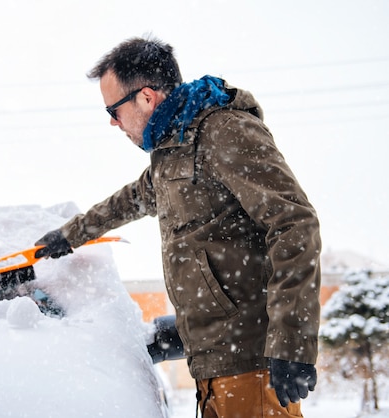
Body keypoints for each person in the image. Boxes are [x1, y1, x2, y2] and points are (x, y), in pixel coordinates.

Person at [34, 36, 322, 417]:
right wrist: (66, 237)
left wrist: (291, 343)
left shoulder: (223, 132)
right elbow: (129, 200)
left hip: (251, 364)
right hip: (214, 367)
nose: (111, 121)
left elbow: (294, 223)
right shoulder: (173, 152)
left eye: (113, 109)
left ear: (147, 98)